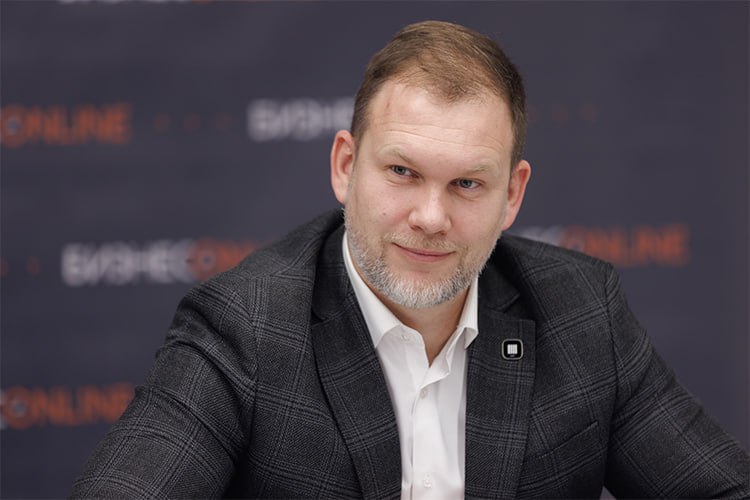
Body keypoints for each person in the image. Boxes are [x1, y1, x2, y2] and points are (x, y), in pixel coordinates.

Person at [71, 20, 749, 498]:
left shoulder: (582, 312)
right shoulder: (244, 327)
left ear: (512, 196)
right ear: (345, 167)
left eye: (467, 184)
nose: (430, 216)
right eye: (402, 172)